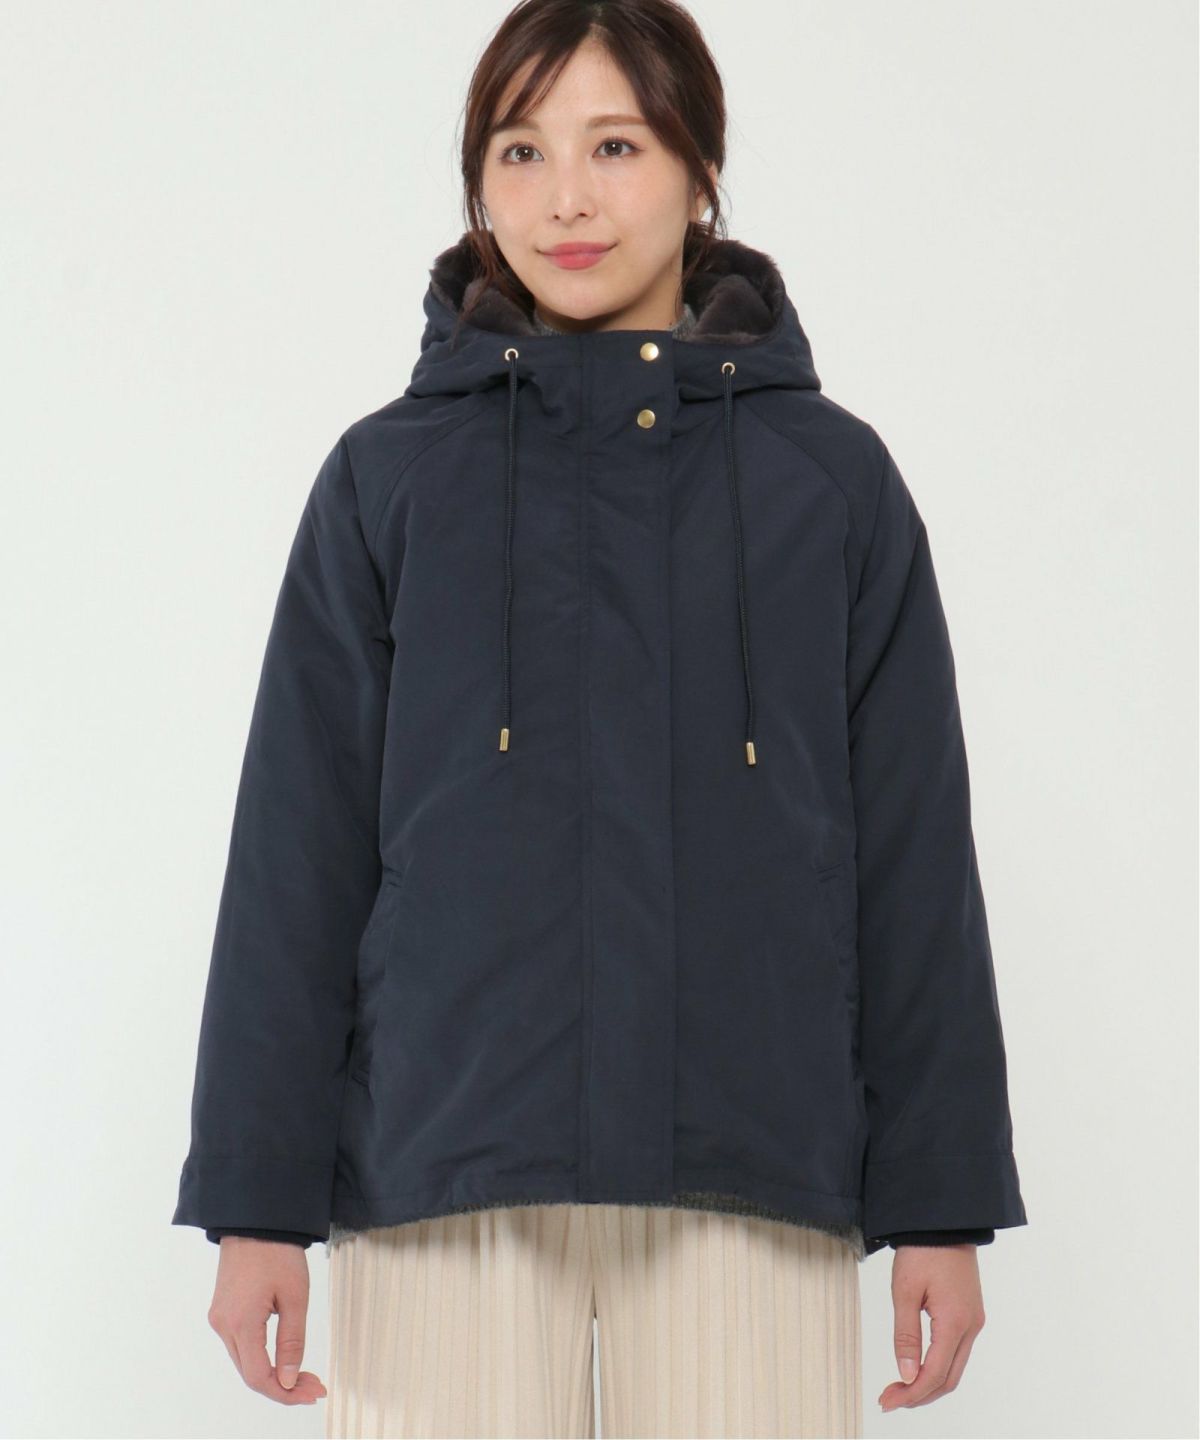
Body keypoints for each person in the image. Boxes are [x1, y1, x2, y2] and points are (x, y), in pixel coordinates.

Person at [172, 2, 1028, 1436]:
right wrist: (255, 1199)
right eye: (521, 151)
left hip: (750, 1176)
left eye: (615, 146)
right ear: (479, 186)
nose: (565, 198)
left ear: (701, 173)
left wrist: (941, 1203)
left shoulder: (832, 484)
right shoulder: (388, 481)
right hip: (447, 1173)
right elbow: (294, 855)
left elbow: (912, 860)